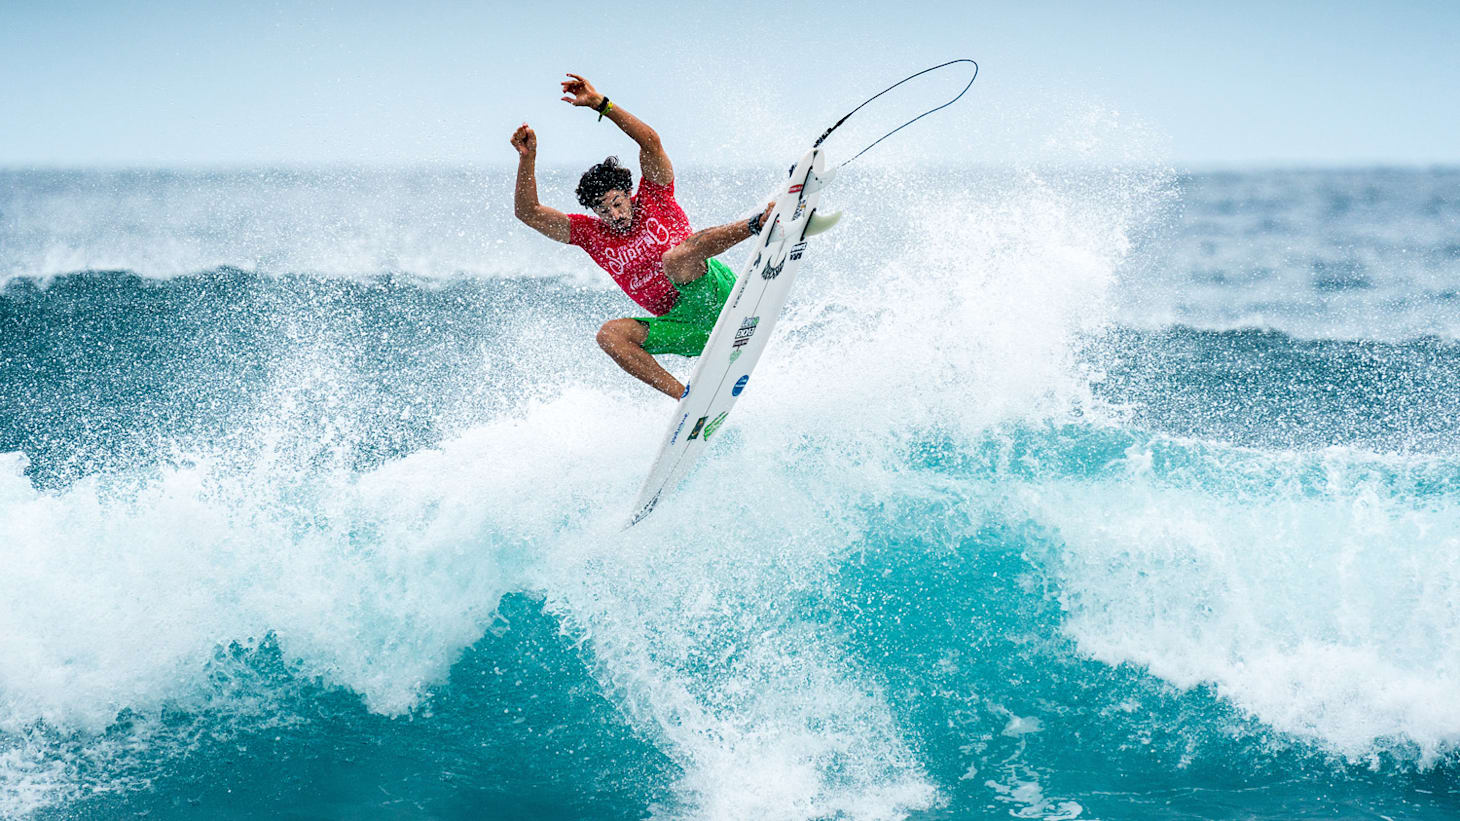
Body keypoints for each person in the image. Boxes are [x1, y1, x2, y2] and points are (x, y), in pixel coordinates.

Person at [510, 73, 772, 399]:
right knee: (609, 335)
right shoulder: (590, 235)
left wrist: (601, 105)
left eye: (617, 203)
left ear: (627, 192)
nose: (614, 215)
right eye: (603, 210)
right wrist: (527, 158)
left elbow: (650, 141)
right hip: (686, 328)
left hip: (720, 295)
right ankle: (687, 399)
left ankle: (759, 224)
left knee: (673, 259)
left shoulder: (655, 195)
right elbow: (529, 213)